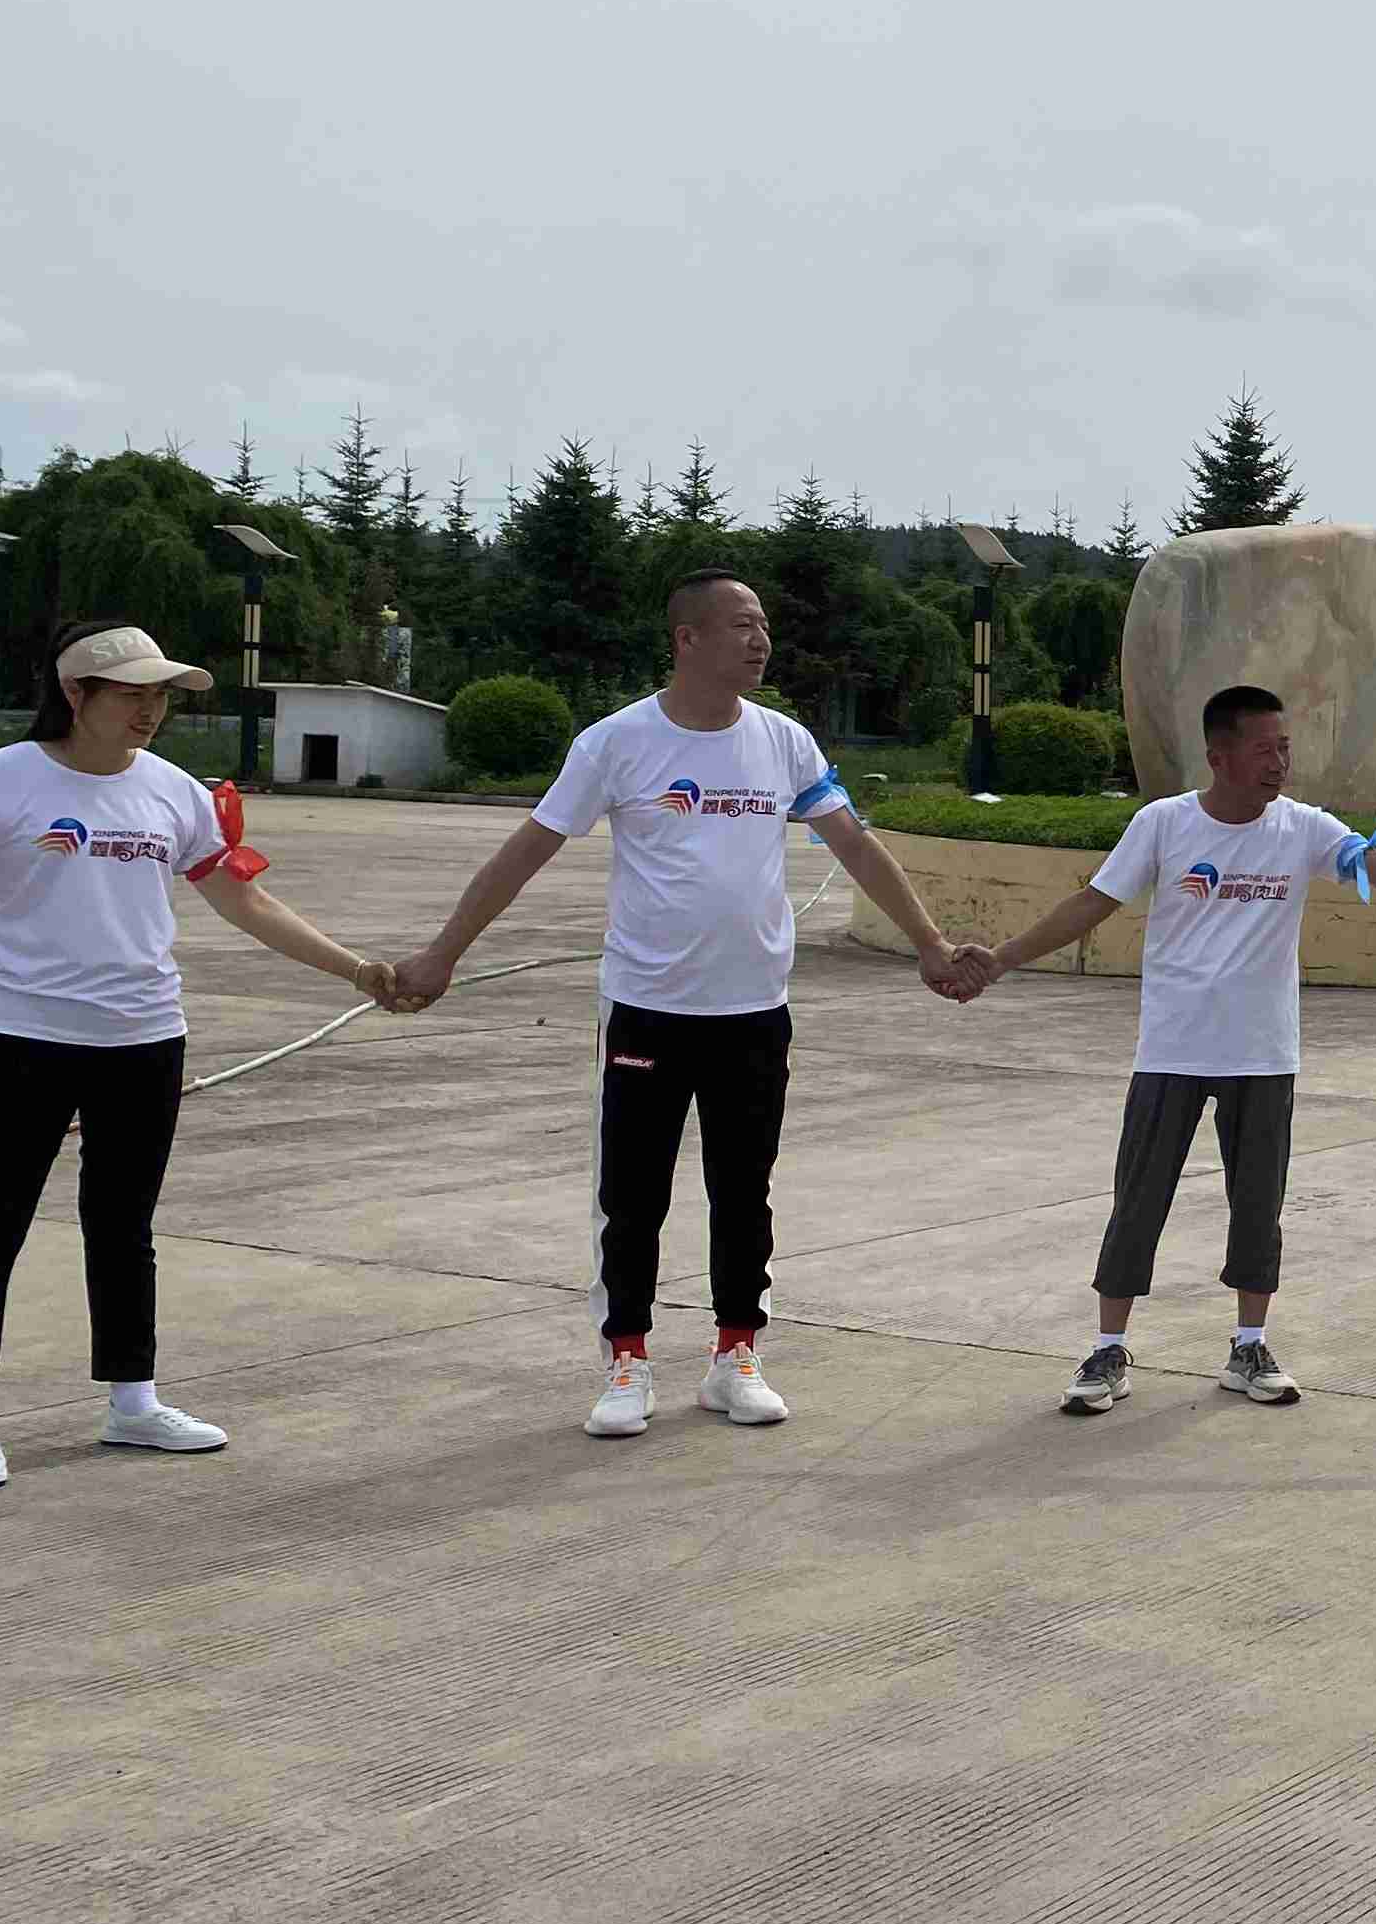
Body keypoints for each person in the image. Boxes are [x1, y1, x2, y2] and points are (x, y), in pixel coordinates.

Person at [393, 572, 985, 1439]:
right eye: (741, 624)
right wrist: (443, 953)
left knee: (744, 1191)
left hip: (754, 1011)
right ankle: (626, 1359)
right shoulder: (616, 743)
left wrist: (931, 944)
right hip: (647, 1009)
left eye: (764, 625)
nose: (760, 640)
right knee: (633, 1196)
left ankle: (735, 1355)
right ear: (687, 638)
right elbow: (525, 853)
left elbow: (856, 846)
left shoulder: (783, 742)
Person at [0, 621, 409, 1491]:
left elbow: (244, 901)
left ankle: (132, 1401)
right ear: (75, 693)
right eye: (133, 694)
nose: (152, 710)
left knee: (124, 1226)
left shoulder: (173, 791)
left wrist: (357, 970)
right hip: (24, 1039)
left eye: (161, 695)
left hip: (143, 1039)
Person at [974, 683, 1376, 1415]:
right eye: (1265, 749)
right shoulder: (1163, 824)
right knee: (1138, 1201)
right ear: (1219, 756)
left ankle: (1249, 1344)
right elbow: (1092, 903)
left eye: (1285, 748)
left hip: (1263, 1054)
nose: (1279, 763)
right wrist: (1000, 959)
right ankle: (1108, 1349)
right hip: (1172, 1049)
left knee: (1258, 1206)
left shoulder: (1304, 829)